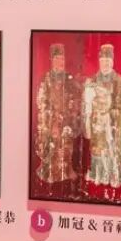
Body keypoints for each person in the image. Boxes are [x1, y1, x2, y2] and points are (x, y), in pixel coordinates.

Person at [82, 44, 121, 189]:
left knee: (111, 149)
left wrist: (113, 114)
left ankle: (113, 174)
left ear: (112, 62)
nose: (105, 64)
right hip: (97, 123)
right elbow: (87, 102)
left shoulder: (118, 80)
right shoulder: (93, 80)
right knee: (97, 149)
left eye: (108, 61)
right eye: (103, 61)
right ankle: (98, 174)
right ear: (99, 62)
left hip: (111, 123)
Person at [34, 44, 81, 187]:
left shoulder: (69, 79)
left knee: (67, 147)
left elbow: (76, 98)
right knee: (52, 147)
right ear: (51, 60)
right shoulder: (46, 79)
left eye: (62, 59)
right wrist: (51, 118)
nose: (60, 62)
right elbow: (41, 101)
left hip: (66, 119)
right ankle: (50, 172)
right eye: (57, 59)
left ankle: (67, 170)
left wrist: (71, 113)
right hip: (51, 120)